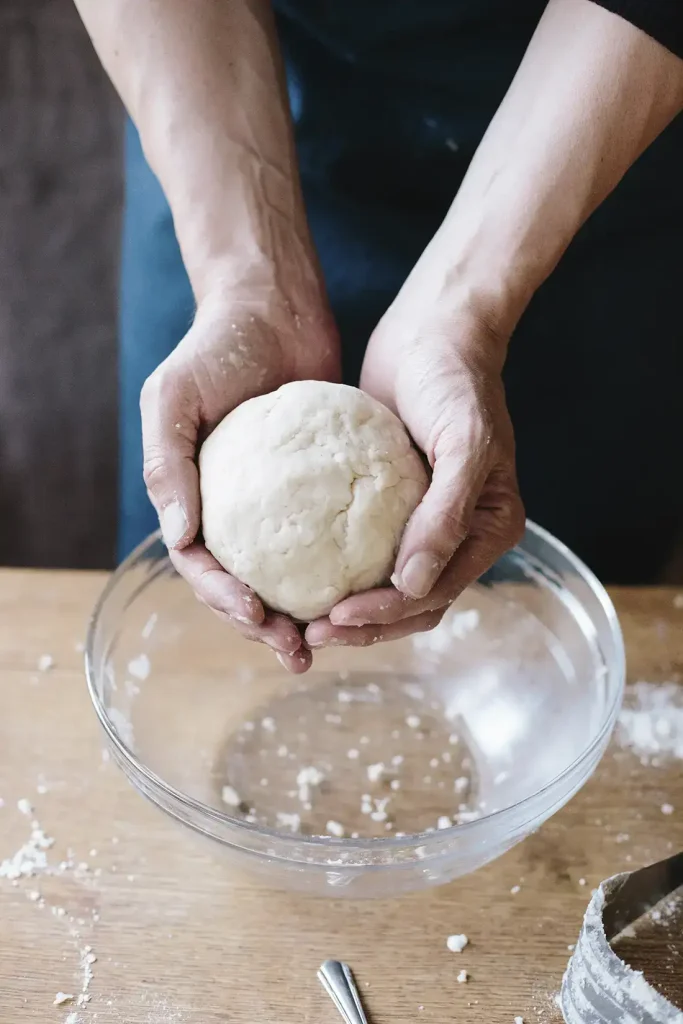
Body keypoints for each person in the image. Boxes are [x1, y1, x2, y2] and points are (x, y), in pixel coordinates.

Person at [74, 0, 683, 672]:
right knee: (190, 615)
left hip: (600, 119)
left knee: (559, 628)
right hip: (220, 94)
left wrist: (466, 312)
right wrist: (245, 281)